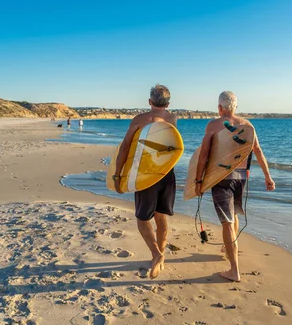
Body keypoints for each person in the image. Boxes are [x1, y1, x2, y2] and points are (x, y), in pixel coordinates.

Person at [195, 91, 275, 282]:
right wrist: (268, 177)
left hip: (221, 178)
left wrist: (198, 181)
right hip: (241, 177)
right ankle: (229, 246)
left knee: (227, 222)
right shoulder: (248, 126)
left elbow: (204, 155)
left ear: (219, 107)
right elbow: (258, 151)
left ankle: (234, 270)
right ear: (235, 107)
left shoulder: (214, 125)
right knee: (234, 214)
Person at [113, 84, 177, 279]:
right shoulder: (172, 119)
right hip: (166, 173)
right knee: (161, 216)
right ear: (168, 103)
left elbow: (125, 148)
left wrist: (118, 175)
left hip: (145, 173)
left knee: (142, 220)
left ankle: (156, 254)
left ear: (150, 102)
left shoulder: (139, 120)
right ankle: (161, 257)